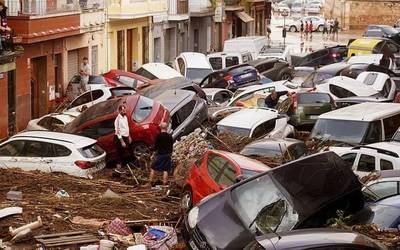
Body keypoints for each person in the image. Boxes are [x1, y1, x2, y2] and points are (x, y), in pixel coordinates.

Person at [146, 122, 173, 187]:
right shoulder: (170, 136)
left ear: (161, 127)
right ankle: (164, 184)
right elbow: (171, 147)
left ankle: (150, 183)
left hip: (161, 155)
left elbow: (156, 147)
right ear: (166, 128)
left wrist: (153, 154)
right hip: (168, 155)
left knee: (153, 168)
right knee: (166, 170)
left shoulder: (159, 136)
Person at [114, 104, 132, 171]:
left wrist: (129, 136)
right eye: (123, 110)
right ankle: (118, 168)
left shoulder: (125, 117)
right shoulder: (118, 120)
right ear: (119, 111)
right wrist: (122, 141)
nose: (125, 111)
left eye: (125, 110)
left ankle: (125, 166)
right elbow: (118, 131)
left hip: (126, 137)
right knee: (119, 153)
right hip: (119, 138)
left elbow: (127, 127)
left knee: (126, 151)